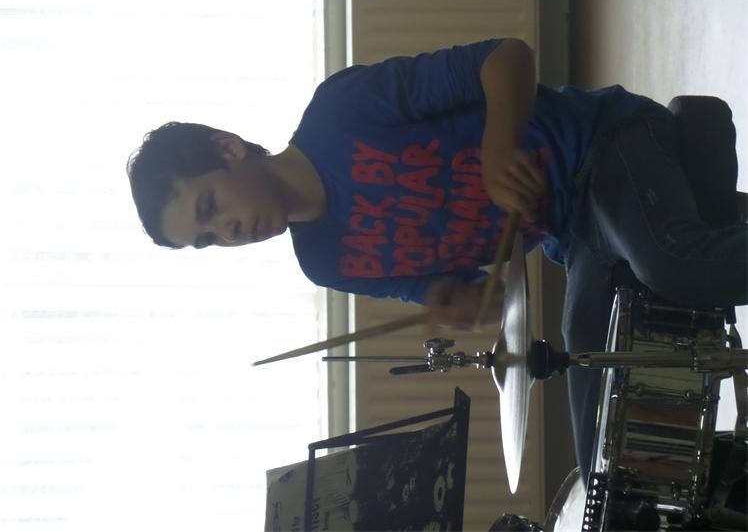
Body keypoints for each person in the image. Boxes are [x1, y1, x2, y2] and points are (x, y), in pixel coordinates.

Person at [126, 38, 748, 480]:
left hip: (601, 145)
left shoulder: (339, 111)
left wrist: (498, 148)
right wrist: (460, 301)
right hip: (576, 236)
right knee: (604, 462)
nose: (228, 232)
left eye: (210, 206)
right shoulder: (324, 262)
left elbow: (506, 58)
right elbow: (476, 294)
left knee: (674, 266)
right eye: (209, 239)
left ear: (228, 148)